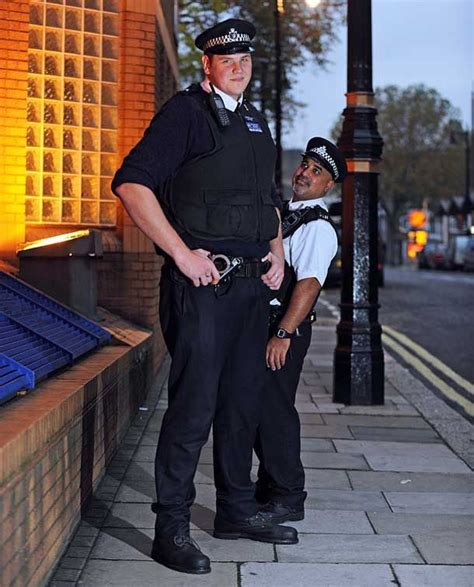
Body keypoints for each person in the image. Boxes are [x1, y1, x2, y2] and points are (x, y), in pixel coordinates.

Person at [112, 19, 298, 576]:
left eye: (244, 59)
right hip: (204, 286)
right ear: (208, 66)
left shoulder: (256, 122)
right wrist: (179, 253)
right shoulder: (185, 114)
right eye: (227, 60)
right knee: (194, 406)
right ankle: (169, 525)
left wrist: (278, 254)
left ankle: (236, 510)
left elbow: (266, 200)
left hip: (248, 288)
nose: (237, 66)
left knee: (241, 403)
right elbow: (131, 183)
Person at [254, 137, 347, 523]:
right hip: (267, 326)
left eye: (316, 172)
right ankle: (270, 487)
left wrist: (284, 334)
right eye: (305, 165)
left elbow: (308, 284)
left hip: (283, 331)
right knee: (259, 409)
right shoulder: (288, 214)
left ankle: (289, 496)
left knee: (274, 412)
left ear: (329, 186)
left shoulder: (318, 227)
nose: (305, 174)